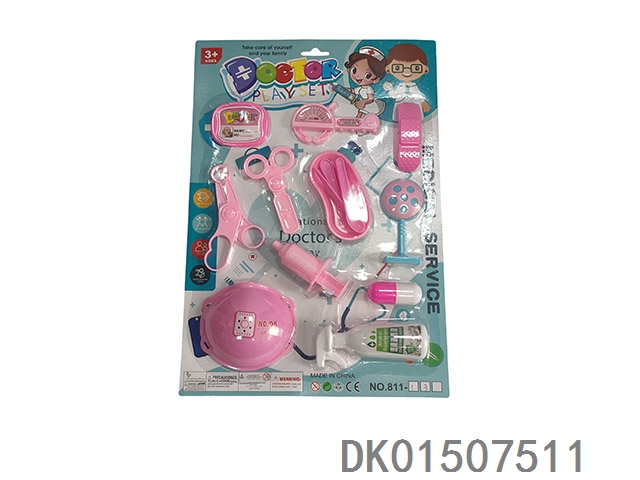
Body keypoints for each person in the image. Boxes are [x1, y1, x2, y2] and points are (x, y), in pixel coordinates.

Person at [382, 43, 431, 119]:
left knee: (415, 119)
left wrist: (423, 102)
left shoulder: (414, 86)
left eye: (416, 68)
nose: (407, 71)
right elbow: (394, 95)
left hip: (415, 108)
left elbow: (418, 94)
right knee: (401, 119)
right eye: (398, 68)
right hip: (400, 107)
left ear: (425, 69)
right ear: (388, 69)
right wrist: (389, 90)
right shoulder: (400, 86)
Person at [343, 46, 387, 117]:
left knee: (361, 113)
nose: (358, 76)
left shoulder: (368, 89)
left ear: (376, 79)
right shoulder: (360, 88)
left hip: (370, 106)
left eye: (368, 75)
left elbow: (371, 99)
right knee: (359, 112)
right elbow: (355, 90)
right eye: (354, 70)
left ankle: (358, 120)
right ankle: (357, 120)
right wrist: (349, 90)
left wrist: (364, 102)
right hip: (361, 104)